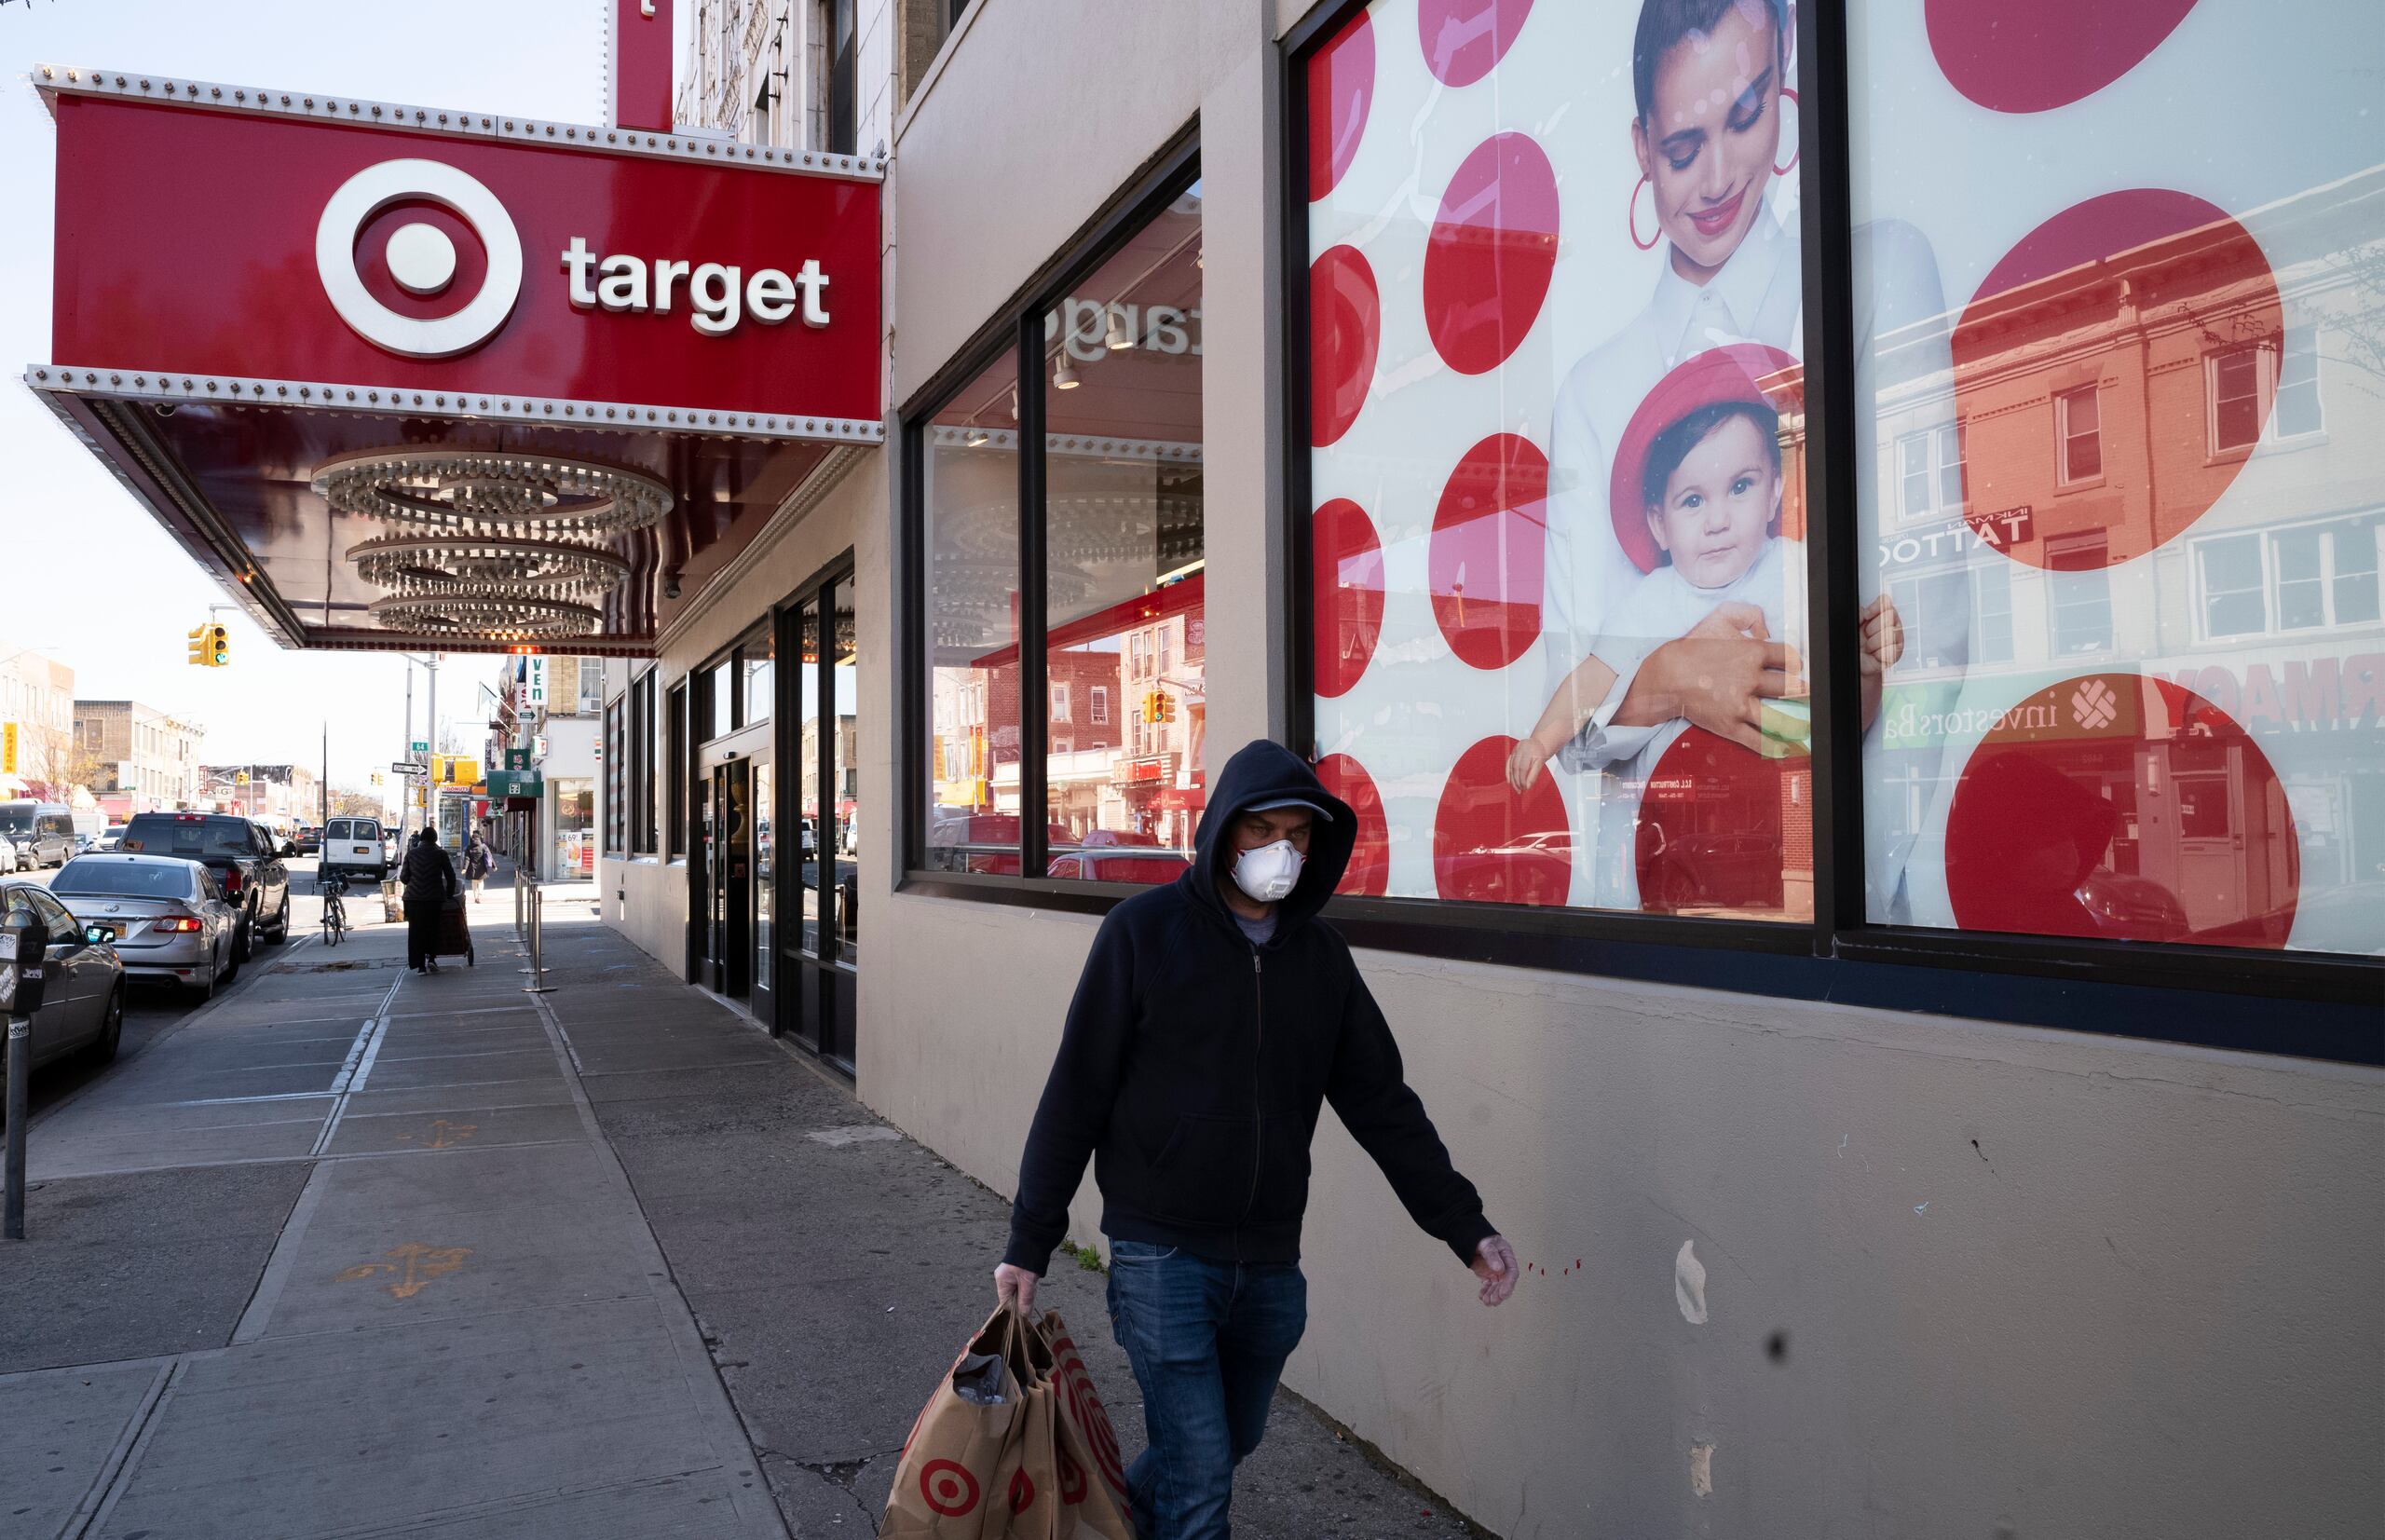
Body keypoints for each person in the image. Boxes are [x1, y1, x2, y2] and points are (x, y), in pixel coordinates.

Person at [993, 739, 1519, 1540]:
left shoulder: (1321, 960)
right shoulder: (1142, 934)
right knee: (1201, 1474)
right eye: (1262, 831)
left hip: (1270, 1263)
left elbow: (1382, 1103)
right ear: (1222, 833)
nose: (1281, 851)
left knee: (1217, 1445)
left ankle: (1106, 1524)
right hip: (1161, 1254)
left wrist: (1465, 1225)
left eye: (1299, 835)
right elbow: (1077, 1092)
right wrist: (1030, 1238)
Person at [401, 827, 457, 974]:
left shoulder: (411, 854)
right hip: (434, 898)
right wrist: (449, 895)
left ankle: (420, 966)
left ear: (421, 839)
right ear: (435, 839)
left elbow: (403, 877)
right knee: (433, 929)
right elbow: (451, 877)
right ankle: (431, 959)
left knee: (416, 930)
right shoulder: (440, 854)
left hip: (413, 899)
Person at [463, 825, 494, 903]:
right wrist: (494, 866)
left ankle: (475, 897)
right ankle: (479, 896)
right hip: (482, 868)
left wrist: (465, 868)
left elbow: (467, 858)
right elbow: (489, 856)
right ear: (479, 838)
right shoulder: (483, 846)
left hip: (472, 868)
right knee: (480, 882)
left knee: (474, 883)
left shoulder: (469, 847)